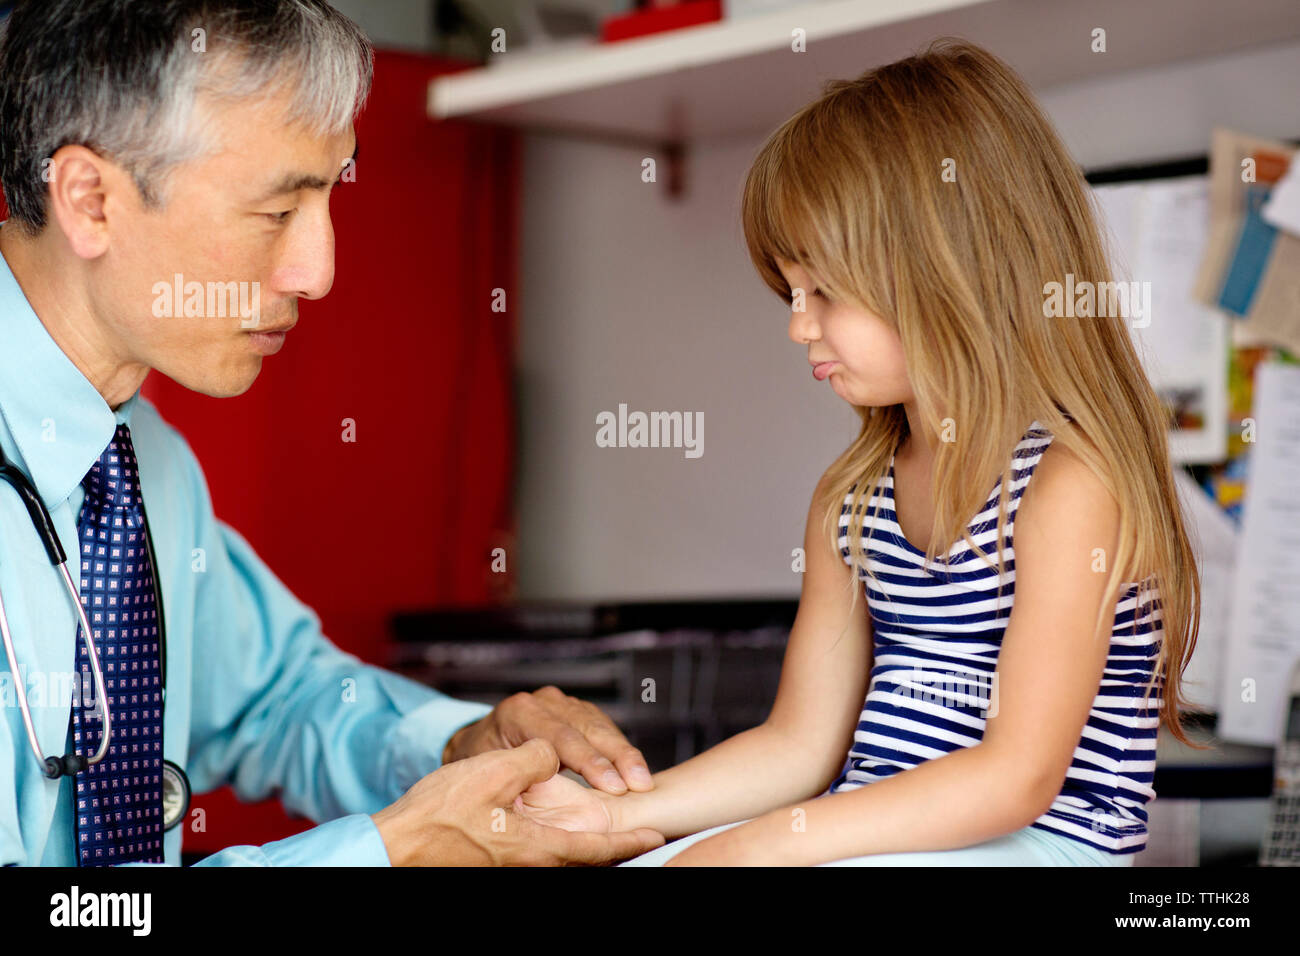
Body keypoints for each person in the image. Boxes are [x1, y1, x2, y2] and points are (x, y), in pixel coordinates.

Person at [0, 0, 664, 867]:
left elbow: (278, 700)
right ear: (91, 201)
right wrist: (388, 853)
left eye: (328, 195)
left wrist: (459, 744)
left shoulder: (141, 466)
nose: (319, 272)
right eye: (277, 213)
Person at [514, 38, 1205, 866]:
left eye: (825, 292)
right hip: (875, 838)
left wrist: (747, 850)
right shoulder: (854, 501)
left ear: (954, 265)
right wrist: (614, 819)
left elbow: (1016, 778)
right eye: (791, 291)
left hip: (1042, 846)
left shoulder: (1071, 486)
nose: (799, 325)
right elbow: (800, 745)